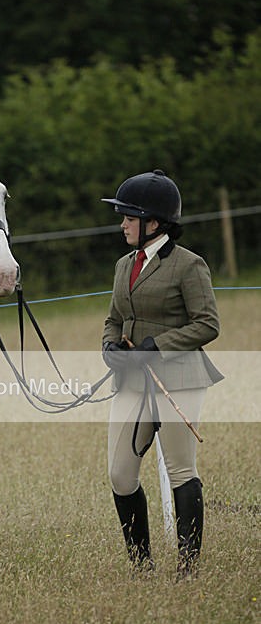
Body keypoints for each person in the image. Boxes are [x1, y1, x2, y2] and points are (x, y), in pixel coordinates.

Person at [101, 169, 223, 579]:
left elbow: (208, 324)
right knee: (120, 473)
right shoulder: (123, 265)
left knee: (181, 470)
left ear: (153, 222)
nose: (122, 224)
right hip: (132, 381)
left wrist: (158, 346)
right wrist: (110, 348)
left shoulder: (189, 265)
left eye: (128, 217)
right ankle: (142, 567)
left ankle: (187, 571)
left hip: (180, 380)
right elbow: (114, 318)